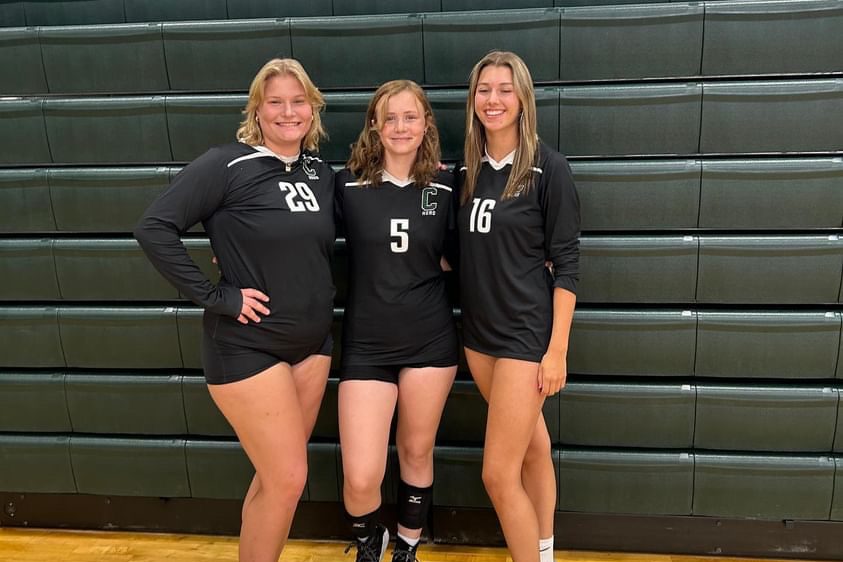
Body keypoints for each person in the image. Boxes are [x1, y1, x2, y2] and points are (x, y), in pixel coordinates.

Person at [134, 58, 335, 562]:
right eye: (275, 102)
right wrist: (218, 295)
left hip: (312, 346)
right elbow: (154, 227)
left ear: (312, 107)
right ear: (257, 109)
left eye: (298, 101)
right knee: (289, 478)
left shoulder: (320, 173)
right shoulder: (226, 163)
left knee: (275, 479)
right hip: (248, 347)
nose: (288, 112)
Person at [456, 51, 580, 562]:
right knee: (532, 447)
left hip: (526, 338)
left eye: (505, 89)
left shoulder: (548, 169)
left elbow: (567, 266)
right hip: (479, 336)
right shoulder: (465, 171)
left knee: (496, 473)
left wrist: (557, 351)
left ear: (523, 98)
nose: (494, 99)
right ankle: (544, 549)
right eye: (485, 89)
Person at [335, 80, 459, 562]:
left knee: (415, 452)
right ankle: (370, 540)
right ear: (375, 125)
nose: (400, 127)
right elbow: (294, 233)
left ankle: (407, 548)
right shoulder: (345, 184)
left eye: (411, 117)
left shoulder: (449, 184)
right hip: (367, 345)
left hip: (430, 341)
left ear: (426, 123)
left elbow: (475, 250)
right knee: (361, 474)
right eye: (390, 118)